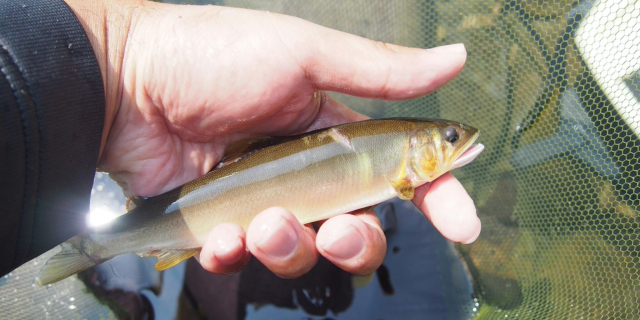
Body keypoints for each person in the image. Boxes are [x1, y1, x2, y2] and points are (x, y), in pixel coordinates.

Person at [0, 0, 480, 279]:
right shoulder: (398, 164)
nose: (457, 139)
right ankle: (96, 246)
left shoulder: (395, 156)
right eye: (450, 136)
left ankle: (98, 245)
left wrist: (116, 62)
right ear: (414, 147)